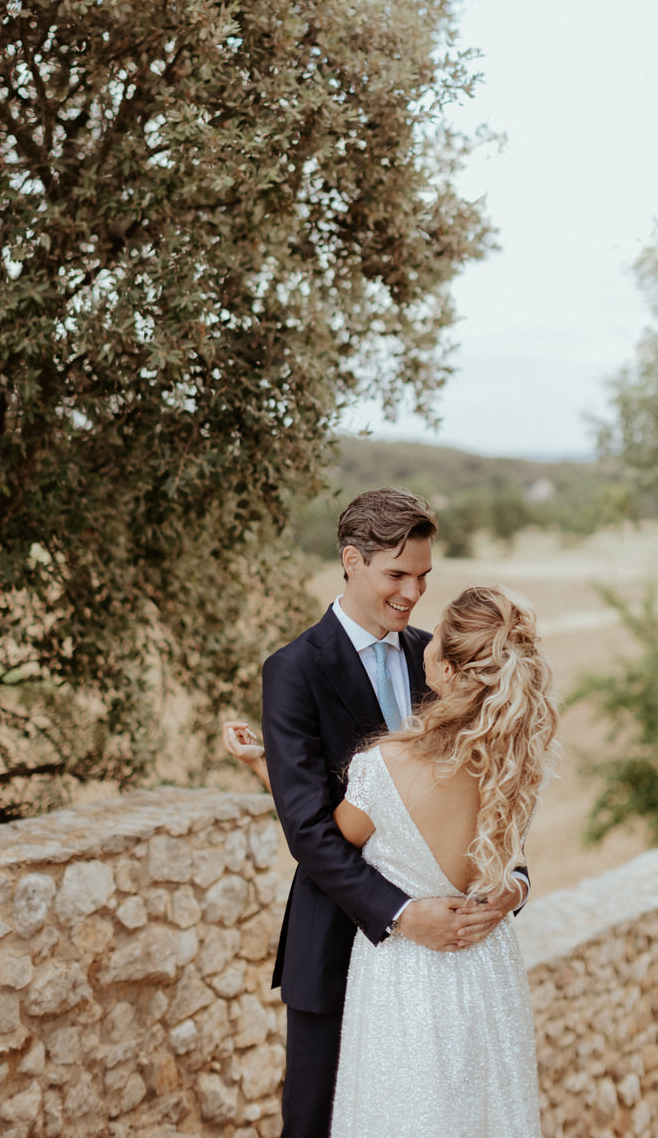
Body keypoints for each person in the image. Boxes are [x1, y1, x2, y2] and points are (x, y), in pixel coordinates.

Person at [225, 488, 532, 1138]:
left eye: (422, 576)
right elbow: (310, 832)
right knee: (316, 1125)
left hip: (451, 967)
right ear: (351, 560)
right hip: (337, 949)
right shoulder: (293, 672)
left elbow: (492, 788)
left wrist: (514, 884)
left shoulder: (441, 656)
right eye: (397, 574)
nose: (412, 592)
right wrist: (401, 914)